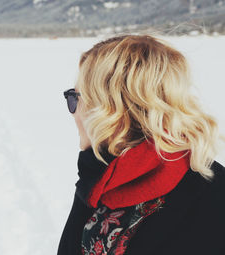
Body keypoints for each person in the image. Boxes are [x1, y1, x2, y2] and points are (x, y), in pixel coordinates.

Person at [57, 34, 225, 255]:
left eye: (75, 98)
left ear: (110, 108)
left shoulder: (211, 195)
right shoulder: (99, 178)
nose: (73, 112)